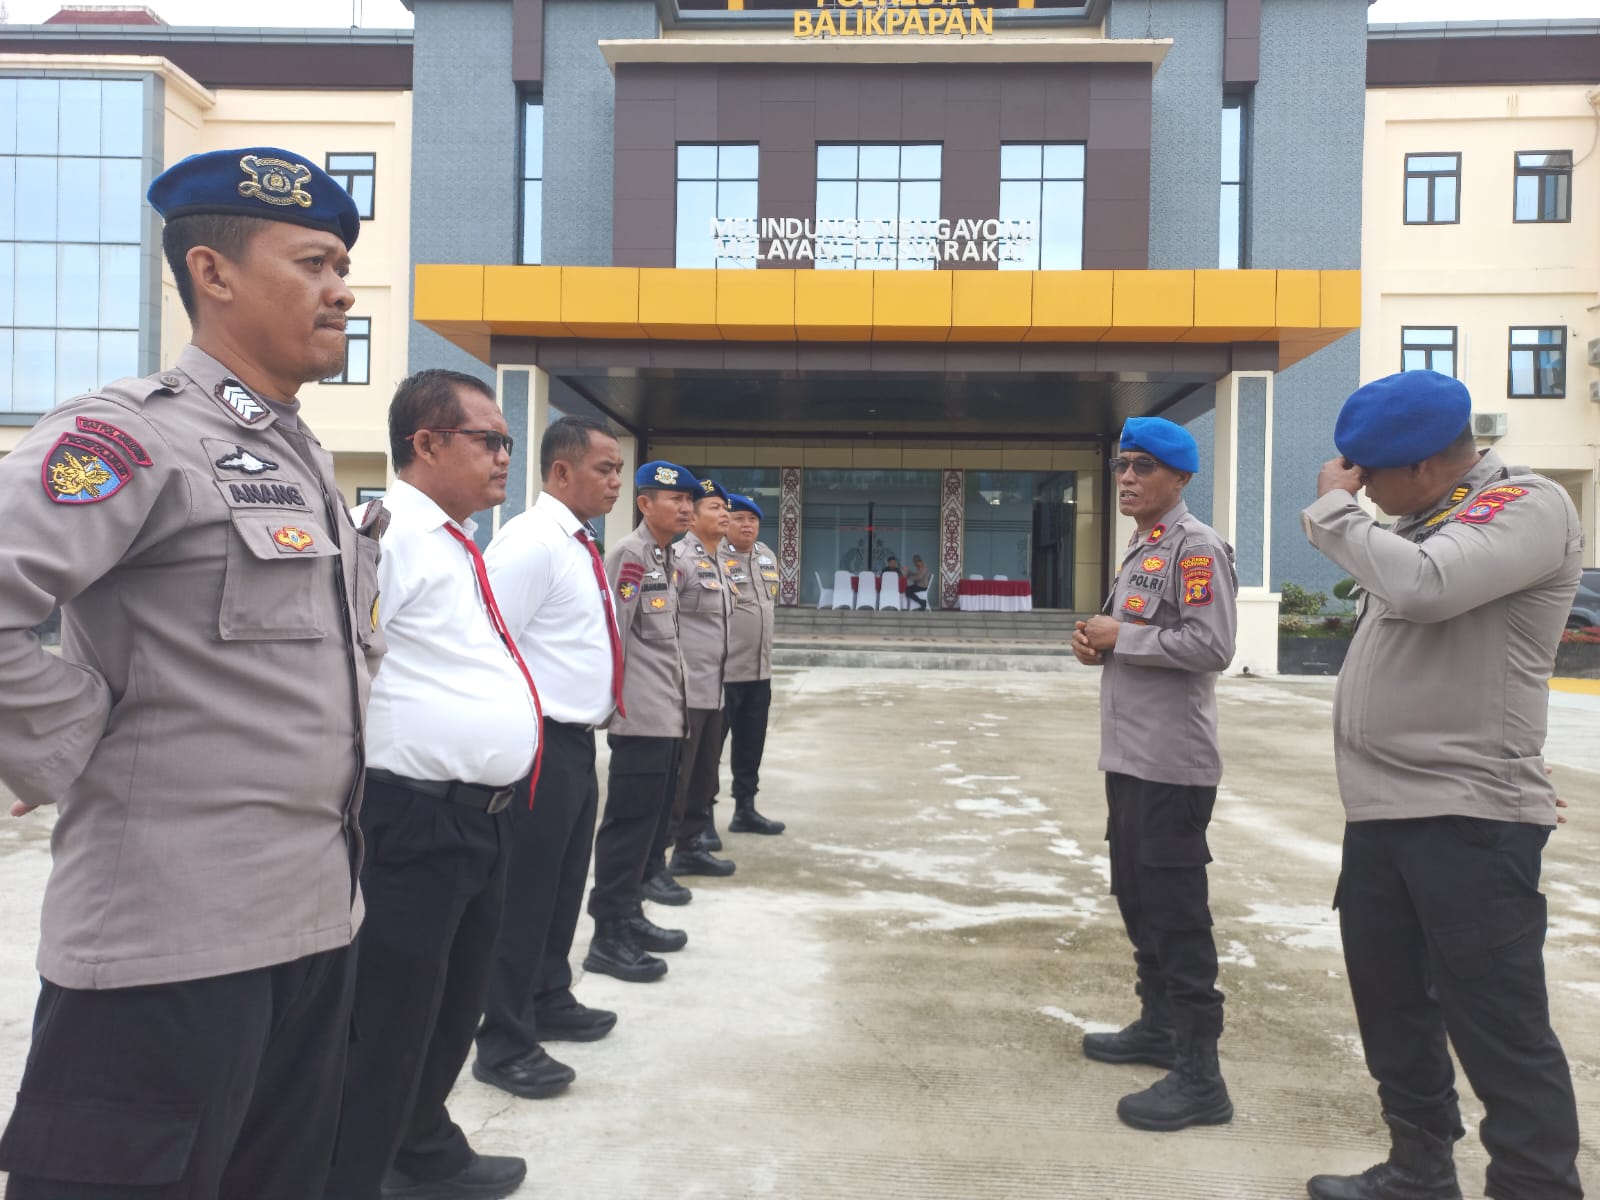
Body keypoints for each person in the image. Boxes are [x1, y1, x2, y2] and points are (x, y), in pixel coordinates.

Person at [0, 147, 380, 1198]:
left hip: (312, 929)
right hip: (166, 953)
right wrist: (71, 736)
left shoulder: (301, 460)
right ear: (212, 273)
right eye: (313, 263)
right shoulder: (132, 435)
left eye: (343, 266)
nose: (342, 290)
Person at [1300, 370, 1584, 1200]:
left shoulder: (1521, 504)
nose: (1361, 490)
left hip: (1468, 819)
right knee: (1393, 1010)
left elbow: (1429, 589)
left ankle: (1533, 1186)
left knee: (1499, 1028)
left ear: (1424, 466)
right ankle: (1419, 1169)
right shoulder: (1421, 525)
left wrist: (1333, 509)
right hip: (1383, 812)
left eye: (1368, 475)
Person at [324, 370, 538, 1200]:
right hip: (414, 819)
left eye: (507, 442)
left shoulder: (454, 539)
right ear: (426, 443)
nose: (504, 455)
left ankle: (420, 1147)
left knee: (451, 1005)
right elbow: (334, 666)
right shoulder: (389, 538)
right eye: (489, 440)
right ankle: (357, 1175)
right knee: (391, 1017)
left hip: (479, 819)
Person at [1071, 416, 1238, 1133]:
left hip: (1172, 764)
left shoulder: (1196, 548)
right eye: (1122, 466)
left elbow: (1212, 644)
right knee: (1139, 900)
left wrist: (1125, 637)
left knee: (1176, 914)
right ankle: (1160, 1028)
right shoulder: (1145, 546)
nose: (1128, 478)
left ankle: (1201, 1076)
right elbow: (1143, 636)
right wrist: (1099, 643)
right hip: (1130, 757)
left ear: (1181, 477)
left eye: (1144, 466)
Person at [472, 417, 626, 1101]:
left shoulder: (577, 542)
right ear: (561, 472)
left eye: (618, 470)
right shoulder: (530, 544)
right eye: (604, 469)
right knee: (525, 895)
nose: (616, 482)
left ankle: (548, 995)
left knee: (562, 885)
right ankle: (503, 1040)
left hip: (574, 741)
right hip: (537, 741)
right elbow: (487, 643)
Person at [584, 461, 699, 981]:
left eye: (689, 501)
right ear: (645, 504)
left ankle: (629, 914)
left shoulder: (666, 558)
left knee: (649, 827)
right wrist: (613, 710)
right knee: (628, 829)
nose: (685, 509)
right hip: (641, 720)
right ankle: (609, 935)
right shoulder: (629, 557)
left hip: (667, 716)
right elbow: (614, 637)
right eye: (675, 500)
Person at [656, 476, 739, 879]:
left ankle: (690, 848)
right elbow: (661, 623)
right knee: (677, 780)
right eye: (715, 507)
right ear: (693, 517)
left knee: (704, 779)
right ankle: (657, 861)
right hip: (686, 693)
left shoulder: (720, 561)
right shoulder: (680, 560)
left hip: (714, 692)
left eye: (726, 508)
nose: (725, 514)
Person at [718, 493, 786, 836]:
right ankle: (699, 818)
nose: (747, 525)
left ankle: (745, 809)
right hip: (722, 674)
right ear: (725, 522)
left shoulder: (766, 556)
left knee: (750, 747)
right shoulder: (711, 557)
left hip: (759, 673)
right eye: (739, 518)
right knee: (706, 752)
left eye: (753, 520)